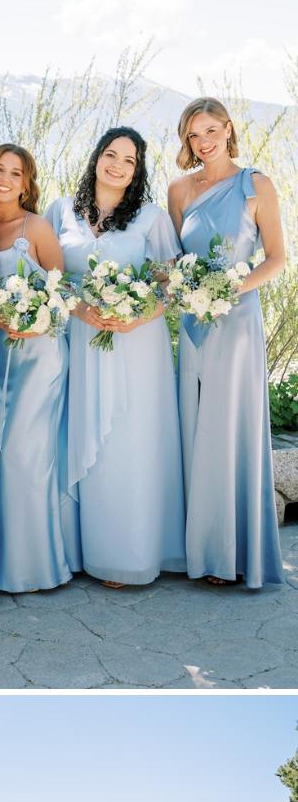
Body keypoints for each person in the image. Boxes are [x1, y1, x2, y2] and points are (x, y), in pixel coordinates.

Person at [46, 127, 185, 587]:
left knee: (132, 441)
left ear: (138, 170)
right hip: (82, 340)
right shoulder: (61, 211)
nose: (118, 166)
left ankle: (131, 554)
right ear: (96, 157)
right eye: (111, 154)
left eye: (129, 160)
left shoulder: (151, 218)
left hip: (137, 343)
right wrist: (81, 307)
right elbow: (49, 278)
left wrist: (140, 313)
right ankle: (85, 550)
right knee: (87, 438)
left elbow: (171, 285)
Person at [168, 96, 285, 587]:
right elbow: (175, 259)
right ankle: (200, 548)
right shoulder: (179, 191)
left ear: (229, 128)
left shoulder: (255, 184)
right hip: (194, 327)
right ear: (187, 140)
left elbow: (276, 259)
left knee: (228, 430)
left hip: (237, 325)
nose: (205, 140)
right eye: (195, 134)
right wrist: (187, 288)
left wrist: (227, 289)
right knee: (195, 431)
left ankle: (232, 555)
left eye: (212, 129)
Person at [0, 143, 73, 592]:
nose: (4, 179)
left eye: (15, 173)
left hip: (38, 354)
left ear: (26, 182)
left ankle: (36, 565)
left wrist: (35, 322)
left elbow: (62, 292)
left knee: (25, 453)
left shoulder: (34, 227)